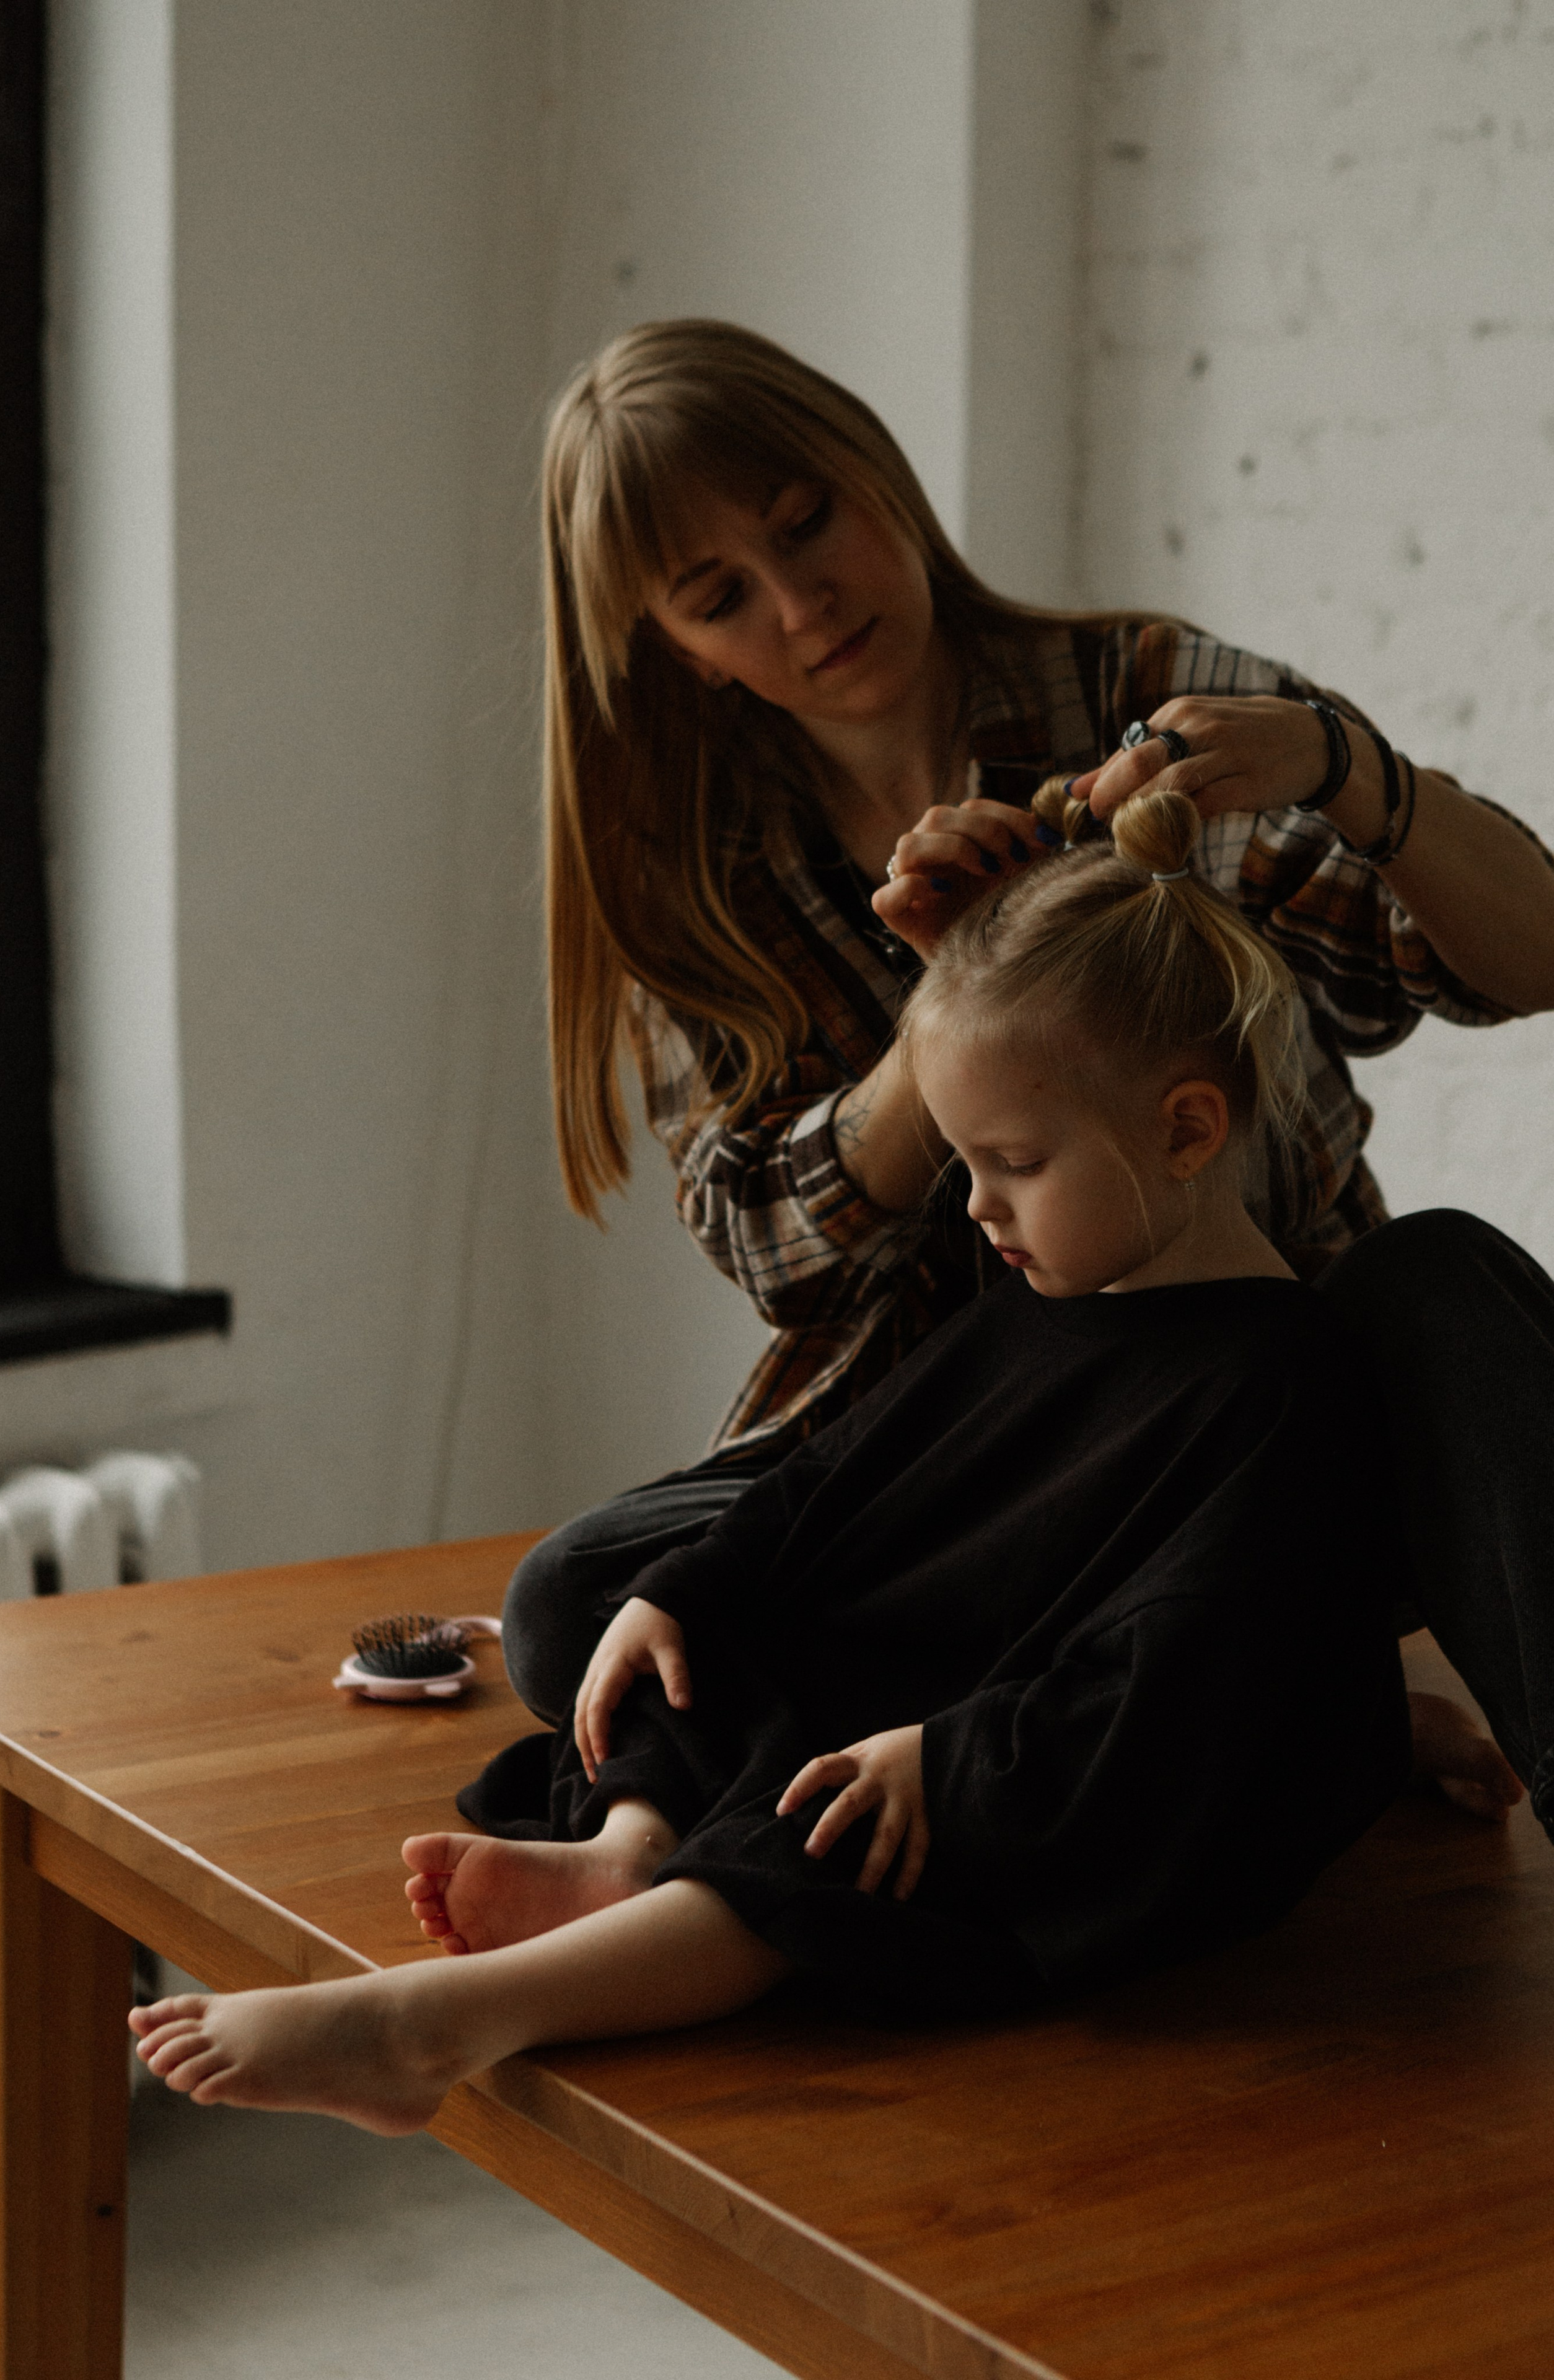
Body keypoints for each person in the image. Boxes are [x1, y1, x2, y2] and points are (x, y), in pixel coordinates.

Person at [131, 788, 1417, 2130]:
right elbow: (832, 1488)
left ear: (1186, 1130)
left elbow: (1172, 1689)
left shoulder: (1279, 1381)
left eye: (1013, 1163)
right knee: (709, 1656)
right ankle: (629, 1858)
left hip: (1059, 1767)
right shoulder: (1040, 1297)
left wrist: (944, 1757)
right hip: (934, 1691)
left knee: (839, 1831)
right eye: (964, 1163)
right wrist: (683, 1588)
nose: (976, 1207)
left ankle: (433, 2024)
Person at [510, 317, 1554, 1819]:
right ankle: (1292, 1718)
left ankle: (1204, 1704)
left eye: (808, 523)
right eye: (719, 594)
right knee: (576, 1610)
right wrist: (953, 1008)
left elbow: (1522, 965)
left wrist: (1347, 769)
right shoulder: (695, 874)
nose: (802, 606)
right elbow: (769, 1252)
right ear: (671, 649)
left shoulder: (1139, 698)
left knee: (1448, 1289)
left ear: (876, 470)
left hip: (1262, 1436)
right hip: (974, 1479)